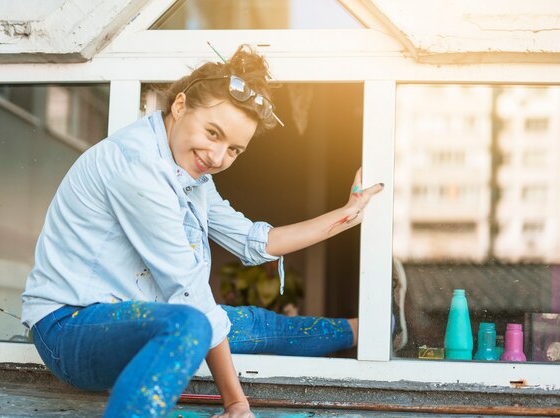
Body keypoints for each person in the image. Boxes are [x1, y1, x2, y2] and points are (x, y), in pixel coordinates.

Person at [22, 44, 384, 418]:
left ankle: (370, 330)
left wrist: (346, 215)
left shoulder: (190, 174)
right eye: (213, 133)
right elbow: (189, 292)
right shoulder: (138, 166)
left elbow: (253, 241)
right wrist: (236, 403)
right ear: (179, 106)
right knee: (192, 323)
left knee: (247, 324)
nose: (217, 158)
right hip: (69, 329)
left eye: (234, 150)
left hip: (138, 319)